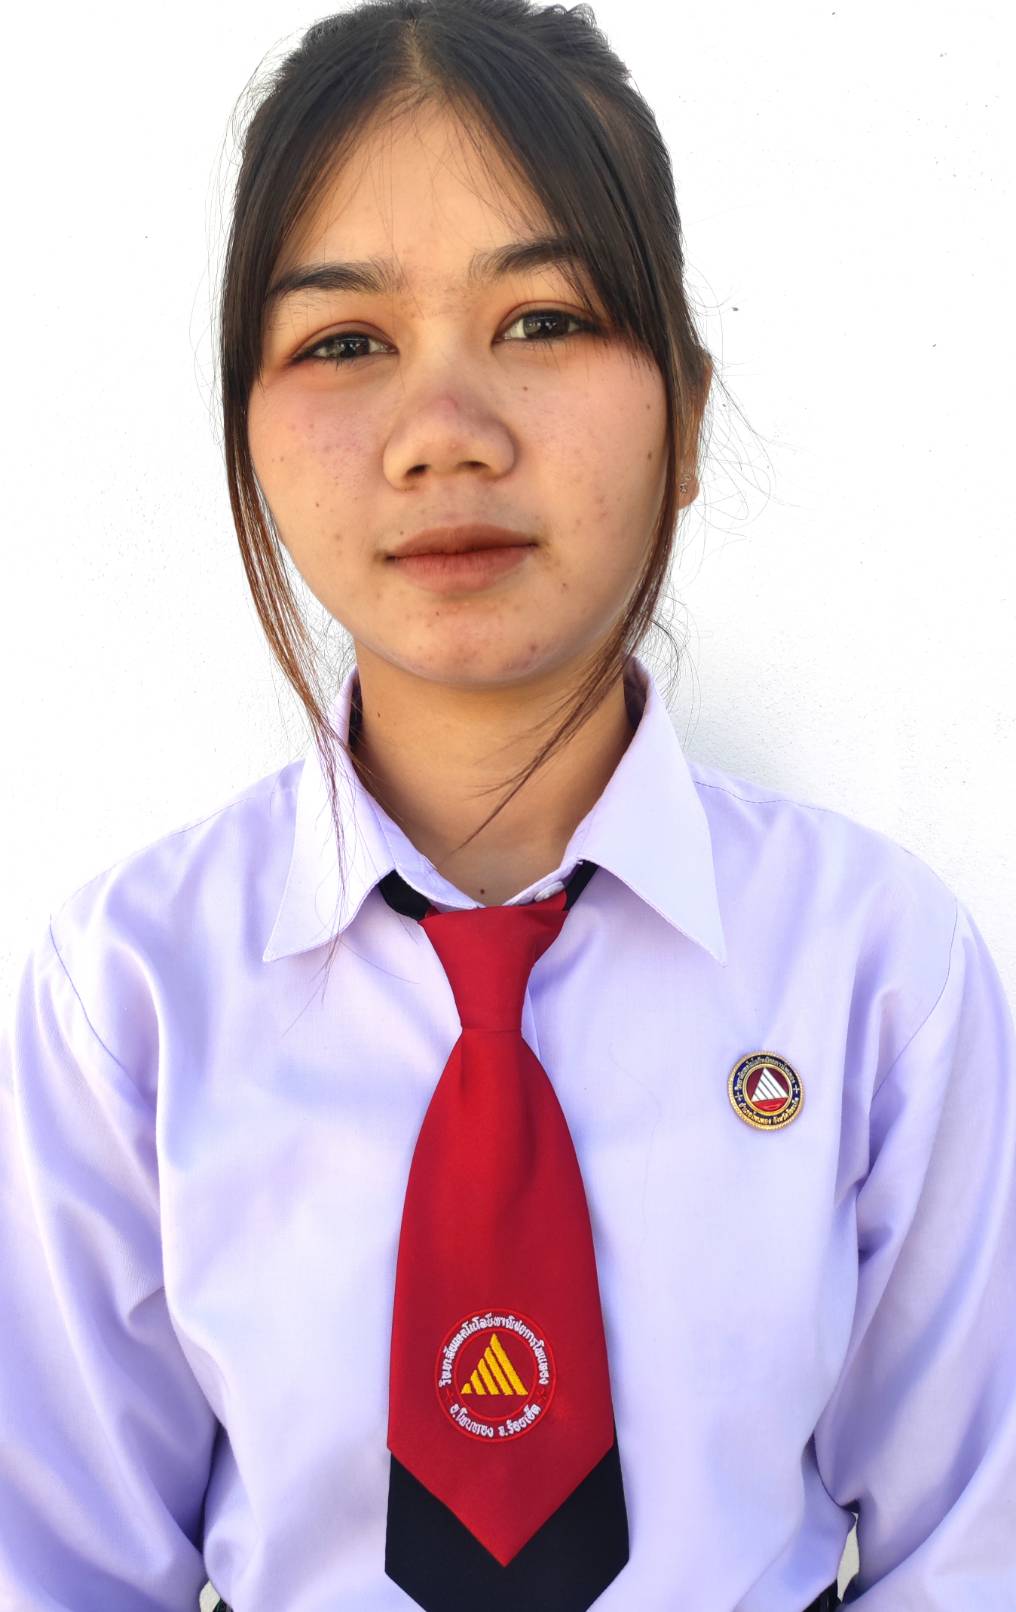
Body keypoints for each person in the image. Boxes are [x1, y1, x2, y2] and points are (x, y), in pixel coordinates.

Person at [1, 1, 1014, 1608]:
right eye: (344, 342)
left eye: (542, 320)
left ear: (687, 410)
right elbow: (53, 1566)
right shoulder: (126, 996)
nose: (444, 435)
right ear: (246, 426)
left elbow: (977, 1544)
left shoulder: (881, 969)